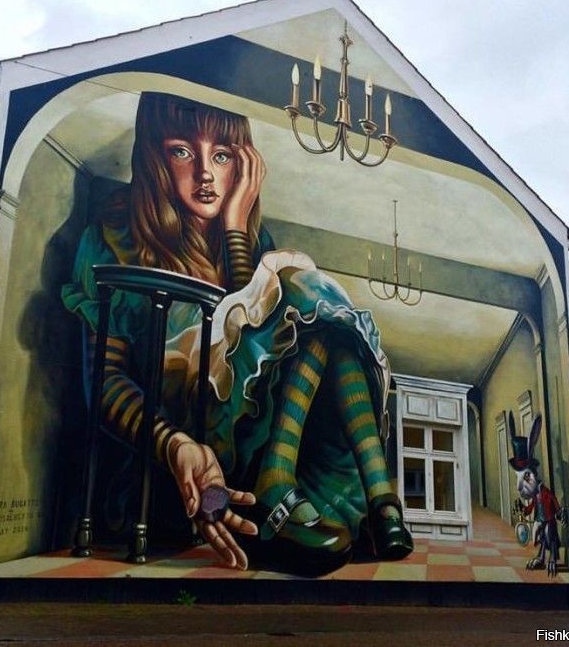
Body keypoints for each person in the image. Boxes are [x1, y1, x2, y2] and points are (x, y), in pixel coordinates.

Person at [62, 92, 412, 574]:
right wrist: (174, 443)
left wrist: (235, 230)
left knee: (322, 323)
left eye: (222, 155)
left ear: (242, 164)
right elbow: (104, 380)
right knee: (308, 294)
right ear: (154, 158)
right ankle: (376, 500)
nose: (205, 172)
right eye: (182, 151)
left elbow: (248, 346)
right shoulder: (114, 236)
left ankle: (362, 498)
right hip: (175, 462)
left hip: (250, 448)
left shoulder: (251, 240)